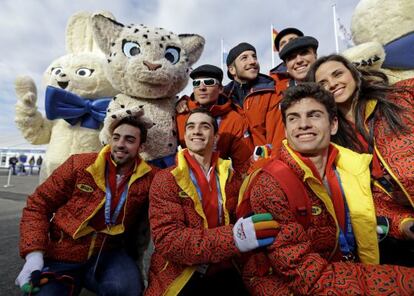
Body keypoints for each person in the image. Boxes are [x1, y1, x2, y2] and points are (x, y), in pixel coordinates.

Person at [240, 83, 414, 295]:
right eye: (294, 118)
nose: (303, 124)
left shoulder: (352, 166)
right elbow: (306, 276)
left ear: (333, 125)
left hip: (351, 269)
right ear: (285, 130)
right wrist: (403, 282)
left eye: (314, 115)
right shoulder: (270, 185)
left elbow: (371, 207)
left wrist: (403, 224)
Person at [16, 116, 157, 296]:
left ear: (141, 147)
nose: (120, 144)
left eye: (129, 140)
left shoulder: (151, 177)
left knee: (127, 290)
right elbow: (37, 205)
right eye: (116, 137)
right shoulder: (79, 164)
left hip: (109, 254)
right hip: (62, 251)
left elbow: (180, 186)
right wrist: (33, 256)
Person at [146, 108, 278, 296]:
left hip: (226, 268)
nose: (196, 131)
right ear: (185, 135)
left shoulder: (232, 178)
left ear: (215, 137)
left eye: (204, 126)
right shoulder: (166, 178)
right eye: (191, 126)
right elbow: (168, 241)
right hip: (181, 273)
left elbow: (243, 220)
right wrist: (234, 238)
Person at [306, 54, 414, 266]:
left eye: (338, 74)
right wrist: (402, 224)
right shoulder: (333, 146)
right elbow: (364, 198)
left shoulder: (402, 96)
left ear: (354, 74)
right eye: (323, 83)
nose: (333, 84)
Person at [176, 64, 254, 174]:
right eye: (196, 83)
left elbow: (244, 166)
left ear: (221, 89)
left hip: (218, 180)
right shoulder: (181, 113)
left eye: (209, 82)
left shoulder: (234, 120)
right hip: (185, 178)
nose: (202, 88)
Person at [223, 42, 285, 155]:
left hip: (266, 167)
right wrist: (181, 103)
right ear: (232, 70)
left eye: (254, 56)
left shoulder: (271, 93)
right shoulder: (224, 99)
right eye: (244, 58)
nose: (252, 61)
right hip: (236, 169)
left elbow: (277, 141)